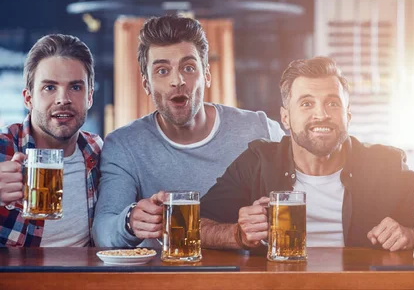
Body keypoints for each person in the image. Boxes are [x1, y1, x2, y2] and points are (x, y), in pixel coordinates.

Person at [92, 15, 284, 247]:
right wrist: (130, 223)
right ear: (146, 84)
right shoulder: (124, 145)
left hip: (243, 279)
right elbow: (103, 233)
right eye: (162, 71)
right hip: (160, 280)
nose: (178, 80)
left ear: (207, 75)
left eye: (189, 67)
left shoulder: (259, 128)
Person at [200, 56, 414, 252]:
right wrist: (237, 234)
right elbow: (195, 227)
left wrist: (410, 235)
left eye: (333, 103)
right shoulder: (257, 161)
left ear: (348, 115)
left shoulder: (386, 165)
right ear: (285, 118)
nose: (321, 114)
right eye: (306, 103)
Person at [0, 34, 102, 247]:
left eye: (75, 87)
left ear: (89, 97)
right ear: (28, 98)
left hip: (84, 279)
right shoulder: (3, 148)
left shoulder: (98, 151)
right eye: (49, 87)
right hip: (14, 280)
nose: (63, 99)